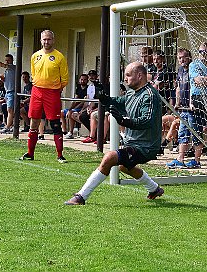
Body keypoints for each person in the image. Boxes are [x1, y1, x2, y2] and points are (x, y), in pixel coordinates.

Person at [65, 62, 164, 205]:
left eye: (128, 75)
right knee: (124, 166)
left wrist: (124, 121)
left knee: (110, 157)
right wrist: (102, 97)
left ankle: (81, 197)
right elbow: (118, 102)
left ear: (140, 75)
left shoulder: (150, 95)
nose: (125, 79)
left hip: (146, 146)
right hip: (133, 143)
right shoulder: (131, 92)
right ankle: (154, 189)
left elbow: (146, 121)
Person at [168, 43, 207, 169]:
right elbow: (197, 81)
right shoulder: (194, 65)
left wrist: (206, 80)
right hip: (197, 100)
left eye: (205, 51)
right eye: (200, 52)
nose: (202, 54)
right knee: (194, 130)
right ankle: (185, 158)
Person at [19, 30, 69, 163]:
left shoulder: (59, 57)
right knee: (34, 121)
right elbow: (33, 74)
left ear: (53, 40)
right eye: (44, 39)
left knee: (55, 123)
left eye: (49, 39)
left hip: (52, 92)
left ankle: (60, 155)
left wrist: (55, 88)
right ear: (41, 40)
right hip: (37, 91)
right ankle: (30, 153)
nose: (46, 42)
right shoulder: (35, 56)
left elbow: (64, 79)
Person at [0, 54, 16, 134]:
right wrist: (0, 80)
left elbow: (1, 65)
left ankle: (8, 127)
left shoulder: (13, 67)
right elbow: (5, 80)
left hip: (12, 92)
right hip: (7, 92)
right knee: (6, 109)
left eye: (8, 60)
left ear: (12, 60)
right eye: (6, 60)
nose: (6, 62)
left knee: (10, 110)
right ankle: (8, 125)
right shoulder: (7, 71)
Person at [61, 73, 89, 139]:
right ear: (79, 80)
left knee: (71, 113)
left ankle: (71, 132)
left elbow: (83, 102)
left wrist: (73, 109)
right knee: (61, 112)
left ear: (87, 80)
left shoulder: (88, 89)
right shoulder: (78, 88)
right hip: (76, 107)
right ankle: (64, 131)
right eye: (81, 79)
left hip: (82, 108)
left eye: (85, 80)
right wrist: (70, 108)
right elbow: (75, 100)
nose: (83, 81)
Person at [151, 50, 175, 114]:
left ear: (163, 59)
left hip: (164, 102)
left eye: (158, 59)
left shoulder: (166, 71)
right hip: (155, 101)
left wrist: (152, 84)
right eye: (154, 59)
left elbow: (155, 87)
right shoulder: (155, 71)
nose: (156, 61)